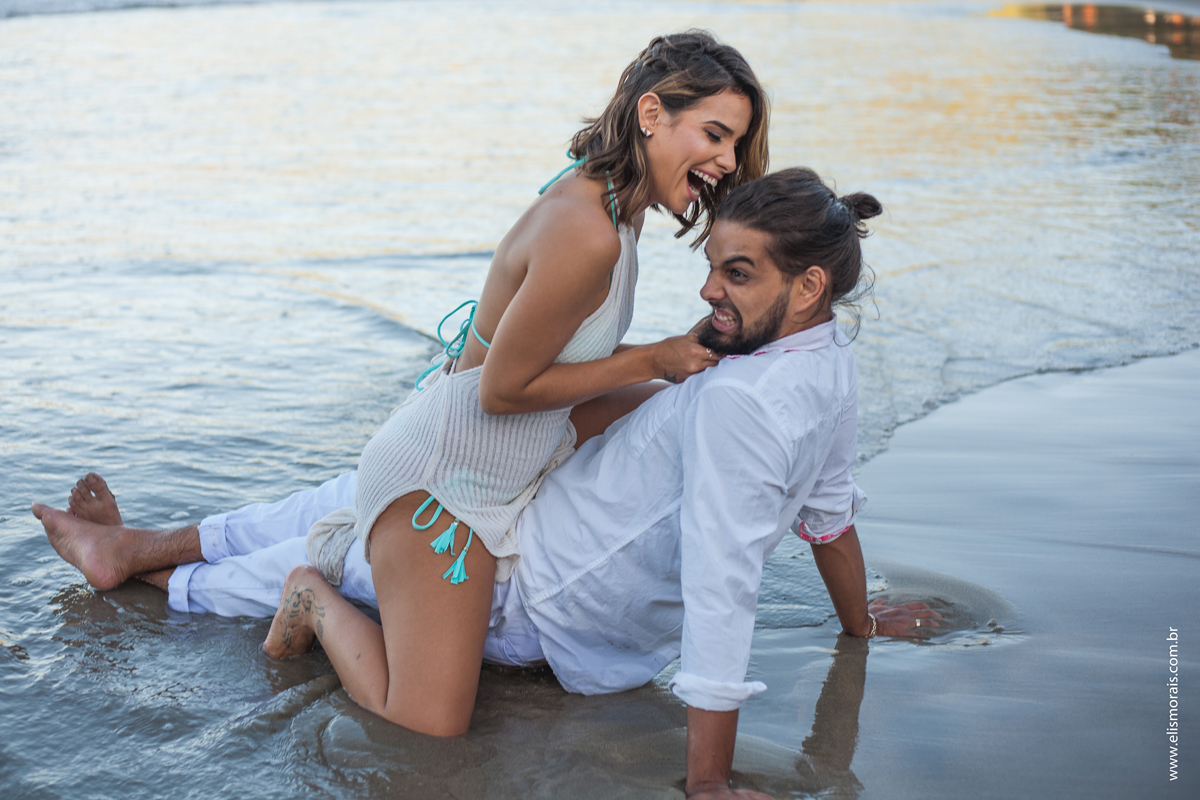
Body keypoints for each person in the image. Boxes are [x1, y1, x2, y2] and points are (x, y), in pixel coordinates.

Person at [35, 168, 939, 800]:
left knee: (340, 529)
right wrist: (706, 781)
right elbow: (743, 570)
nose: (708, 292)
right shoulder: (805, 368)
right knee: (346, 520)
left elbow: (804, 530)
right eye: (710, 267)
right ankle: (145, 562)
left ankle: (153, 567)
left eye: (736, 273)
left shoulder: (799, 382)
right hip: (517, 565)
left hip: (525, 578)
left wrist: (857, 631)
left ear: (809, 289)